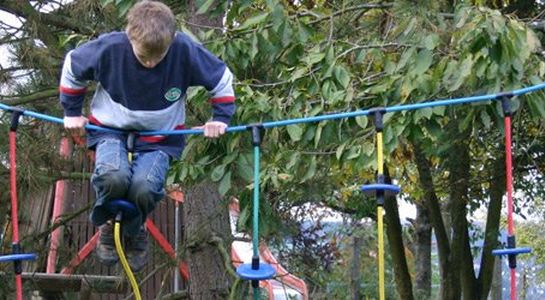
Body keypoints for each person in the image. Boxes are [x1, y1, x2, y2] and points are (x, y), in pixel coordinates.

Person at [58, 0, 235, 272]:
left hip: (160, 137)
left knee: (145, 186)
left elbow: (221, 78)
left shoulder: (184, 50)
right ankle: (108, 223)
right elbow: (72, 67)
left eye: (158, 57)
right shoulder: (111, 47)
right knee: (111, 175)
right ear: (130, 37)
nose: (151, 63)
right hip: (110, 128)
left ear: (172, 40)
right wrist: (71, 112)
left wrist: (220, 119)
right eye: (143, 57)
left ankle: (135, 225)